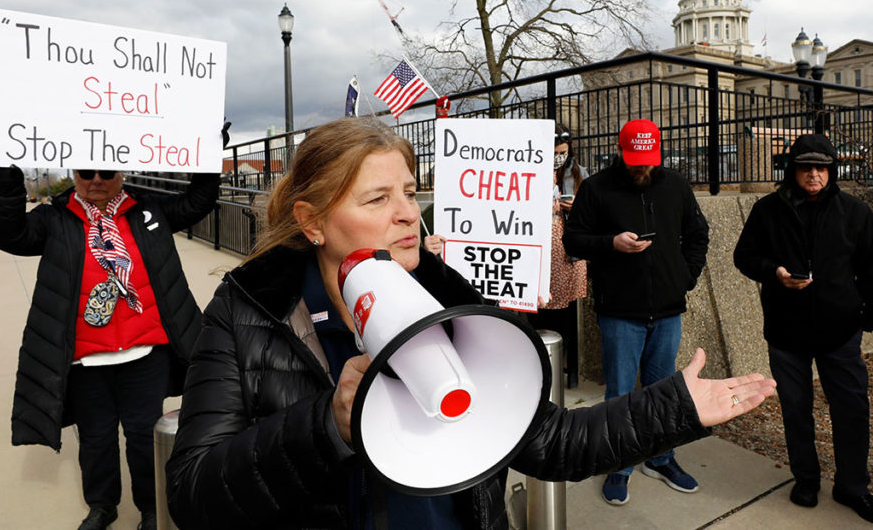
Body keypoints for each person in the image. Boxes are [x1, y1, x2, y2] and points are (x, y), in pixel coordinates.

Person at [165, 117, 775, 529]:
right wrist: (328, 425)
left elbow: (547, 441)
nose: (407, 215)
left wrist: (671, 409)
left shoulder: (456, 305)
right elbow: (194, 495)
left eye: (409, 191)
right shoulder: (245, 312)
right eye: (377, 200)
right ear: (313, 221)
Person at [0, 147, 222, 530]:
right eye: (85, 170)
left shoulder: (149, 210)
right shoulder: (55, 218)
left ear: (121, 173)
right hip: (85, 357)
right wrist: (10, 188)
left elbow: (197, 202)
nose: (96, 179)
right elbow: (7, 235)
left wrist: (206, 155)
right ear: (73, 173)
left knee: (145, 438)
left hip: (145, 351)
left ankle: (150, 507)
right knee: (95, 439)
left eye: (106, 171)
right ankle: (102, 506)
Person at [733, 132, 873, 524]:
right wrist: (775, 273)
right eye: (806, 167)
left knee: (852, 408)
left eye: (822, 168)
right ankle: (805, 478)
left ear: (832, 170)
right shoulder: (767, 210)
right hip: (786, 332)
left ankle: (853, 486)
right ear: (793, 170)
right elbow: (744, 256)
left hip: (840, 331)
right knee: (795, 408)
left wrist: (862, 317)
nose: (814, 175)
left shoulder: (855, 212)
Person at [562, 118, 709, 506]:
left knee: (664, 391)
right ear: (620, 150)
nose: (641, 167)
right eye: (634, 160)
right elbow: (572, 239)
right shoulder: (596, 187)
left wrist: (685, 278)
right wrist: (611, 243)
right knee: (621, 394)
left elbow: (698, 234)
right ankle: (620, 463)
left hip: (667, 308)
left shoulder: (675, 185)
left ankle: (661, 458)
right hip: (619, 312)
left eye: (647, 160)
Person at [528, 123, 588, 389]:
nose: (559, 157)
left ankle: (571, 369)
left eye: (563, 151)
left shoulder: (577, 173)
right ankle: (543, 368)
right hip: (539, 251)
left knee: (568, 315)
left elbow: (593, 213)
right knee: (540, 310)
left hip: (568, 253)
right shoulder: (529, 172)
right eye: (554, 152)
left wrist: (577, 207)